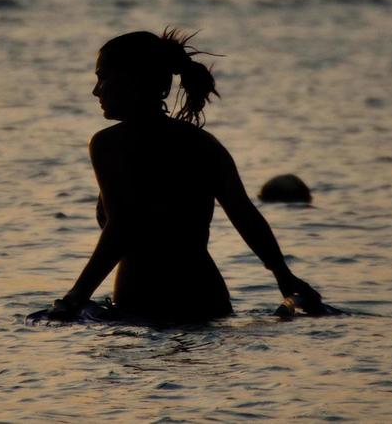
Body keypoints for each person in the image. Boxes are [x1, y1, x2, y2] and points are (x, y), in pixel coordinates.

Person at [48, 28, 324, 323]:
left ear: (133, 80)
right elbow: (244, 214)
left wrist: (75, 298)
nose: (96, 90)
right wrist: (284, 276)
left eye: (103, 77)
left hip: (144, 306)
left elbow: (122, 228)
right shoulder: (204, 144)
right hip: (208, 302)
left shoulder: (109, 144)